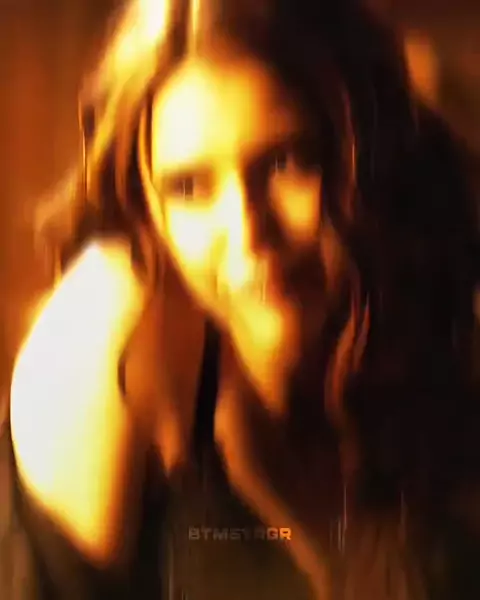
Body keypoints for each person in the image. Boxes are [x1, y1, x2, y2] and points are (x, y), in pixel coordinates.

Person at [1, 0, 479, 598]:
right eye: (189, 188)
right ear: (146, 208)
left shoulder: (437, 308)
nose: (248, 231)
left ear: (366, 153)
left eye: (286, 161)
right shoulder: (112, 338)